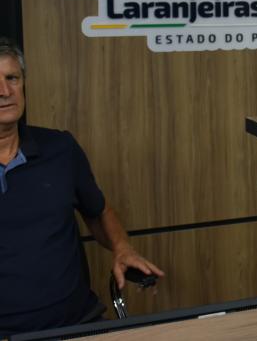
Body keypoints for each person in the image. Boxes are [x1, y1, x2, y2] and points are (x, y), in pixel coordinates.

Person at [0, 38, 164, 336]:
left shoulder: (60, 148)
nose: (5, 91)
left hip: (78, 323)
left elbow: (98, 211)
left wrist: (122, 247)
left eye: (12, 78)